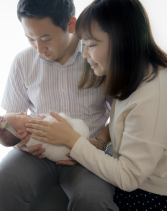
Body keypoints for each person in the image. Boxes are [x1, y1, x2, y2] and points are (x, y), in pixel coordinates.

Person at [25, 0, 167, 210]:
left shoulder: (153, 94)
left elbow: (129, 178)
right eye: (83, 45)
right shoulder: (133, 76)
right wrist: (96, 144)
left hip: (147, 196)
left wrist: (72, 140)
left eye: (91, 45)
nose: (84, 54)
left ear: (123, 42)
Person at [0, 0, 119, 210]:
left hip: (88, 149)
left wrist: (97, 145)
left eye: (45, 38)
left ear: (71, 25)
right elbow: (11, 117)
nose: (39, 49)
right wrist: (21, 143)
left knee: (92, 200)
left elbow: (120, 117)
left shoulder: (96, 56)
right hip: (38, 152)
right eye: (30, 38)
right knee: (3, 184)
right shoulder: (23, 62)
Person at [0, 112, 89, 162]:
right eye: (18, 116)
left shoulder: (25, 135)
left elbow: (12, 131)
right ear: (21, 134)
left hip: (72, 152)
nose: (22, 112)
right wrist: (46, 119)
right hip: (77, 139)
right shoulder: (34, 134)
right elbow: (54, 124)